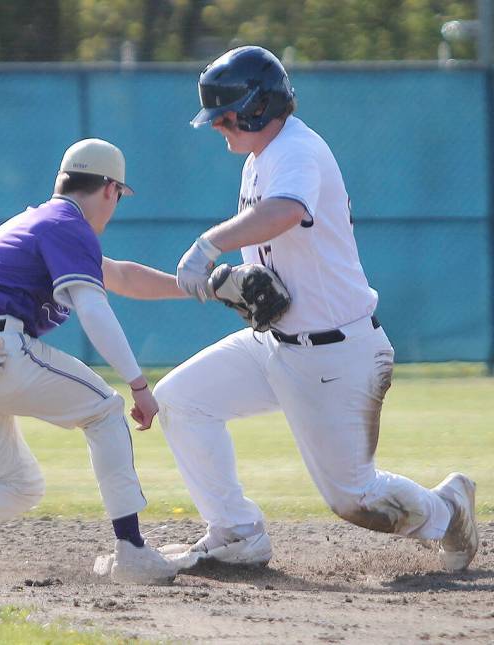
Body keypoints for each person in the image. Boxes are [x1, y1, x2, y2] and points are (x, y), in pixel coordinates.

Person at [145, 46, 476, 571]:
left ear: (257, 106)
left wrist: (210, 245)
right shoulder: (260, 158)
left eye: (225, 115)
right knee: (182, 400)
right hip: (277, 344)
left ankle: (446, 510)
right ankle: (236, 533)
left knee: (355, 500)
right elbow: (281, 255)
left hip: (334, 353)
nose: (218, 127)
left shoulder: (295, 148)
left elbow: (288, 211)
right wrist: (241, 283)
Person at [0, 139, 185, 584]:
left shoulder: (45, 222)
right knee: (104, 409)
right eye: (119, 194)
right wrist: (138, 384)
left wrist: (198, 289)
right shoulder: (68, 225)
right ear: (109, 189)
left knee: (17, 483)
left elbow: (118, 275)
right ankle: (131, 549)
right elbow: (94, 307)